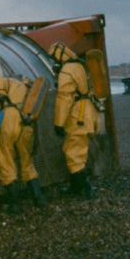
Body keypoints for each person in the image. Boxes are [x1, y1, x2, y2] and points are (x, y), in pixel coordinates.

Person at [0, 77, 45, 214]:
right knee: (27, 161)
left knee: (5, 159)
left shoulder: (6, 84)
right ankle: (39, 199)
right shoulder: (26, 90)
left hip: (6, 118)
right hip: (25, 121)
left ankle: (15, 205)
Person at [48, 43, 100, 199]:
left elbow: (64, 98)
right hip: (88, 112)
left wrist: (59, 123)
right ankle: (77, 186)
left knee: (73, 152)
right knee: (79, 150)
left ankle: (84, 190)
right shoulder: (80, 66)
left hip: (78, 116)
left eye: (54, 59)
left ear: (59, 56)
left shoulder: (67, 71)